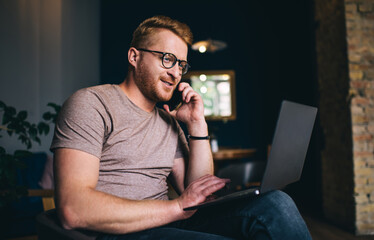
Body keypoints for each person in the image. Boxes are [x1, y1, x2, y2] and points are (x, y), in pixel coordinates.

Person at [51, 15, 312, 239]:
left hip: (169, 223)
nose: (176, 72)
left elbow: (201, 193)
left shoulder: (168, 122)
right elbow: (74, 209)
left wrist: (197, 124)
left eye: (181, 64)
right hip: (118, 232)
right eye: (167, 58)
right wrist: (177, 208)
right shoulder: (91, 104)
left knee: (276, 204)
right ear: (134, 56)